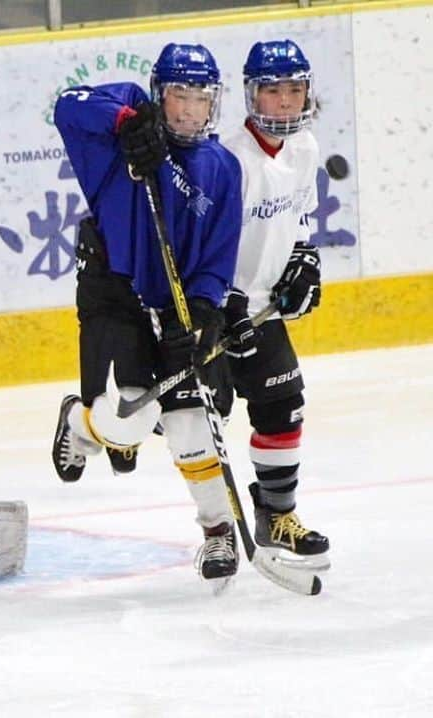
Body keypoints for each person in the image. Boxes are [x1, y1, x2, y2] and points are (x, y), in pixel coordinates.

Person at [50, 43, 244, 584]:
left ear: (214, 104)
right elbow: (68, 106)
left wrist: (205, 311)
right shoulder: (127, 118)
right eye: (177, 96)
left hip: (178, 300)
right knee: (125, 419)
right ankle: (80, 422)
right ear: (160, 94)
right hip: (115, 286)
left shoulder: (222, 168)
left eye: (199, 99)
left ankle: (216, 532)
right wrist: (127, 120)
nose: (187, 110)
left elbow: (218, 253)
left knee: (190, 421)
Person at [219, 39, 330, 567]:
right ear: (250, 96)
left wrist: (303, 257)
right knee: (179, 422)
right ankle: (91, 427)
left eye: (295, 89)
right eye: (272, 91)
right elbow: (197, 242)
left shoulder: (305, 146)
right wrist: (223, 301)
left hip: (261, 311)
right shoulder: (226, 157)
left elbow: (299, 216)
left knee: (283, 407)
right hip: (210, 310)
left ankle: (277, 515)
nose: (285, 102)